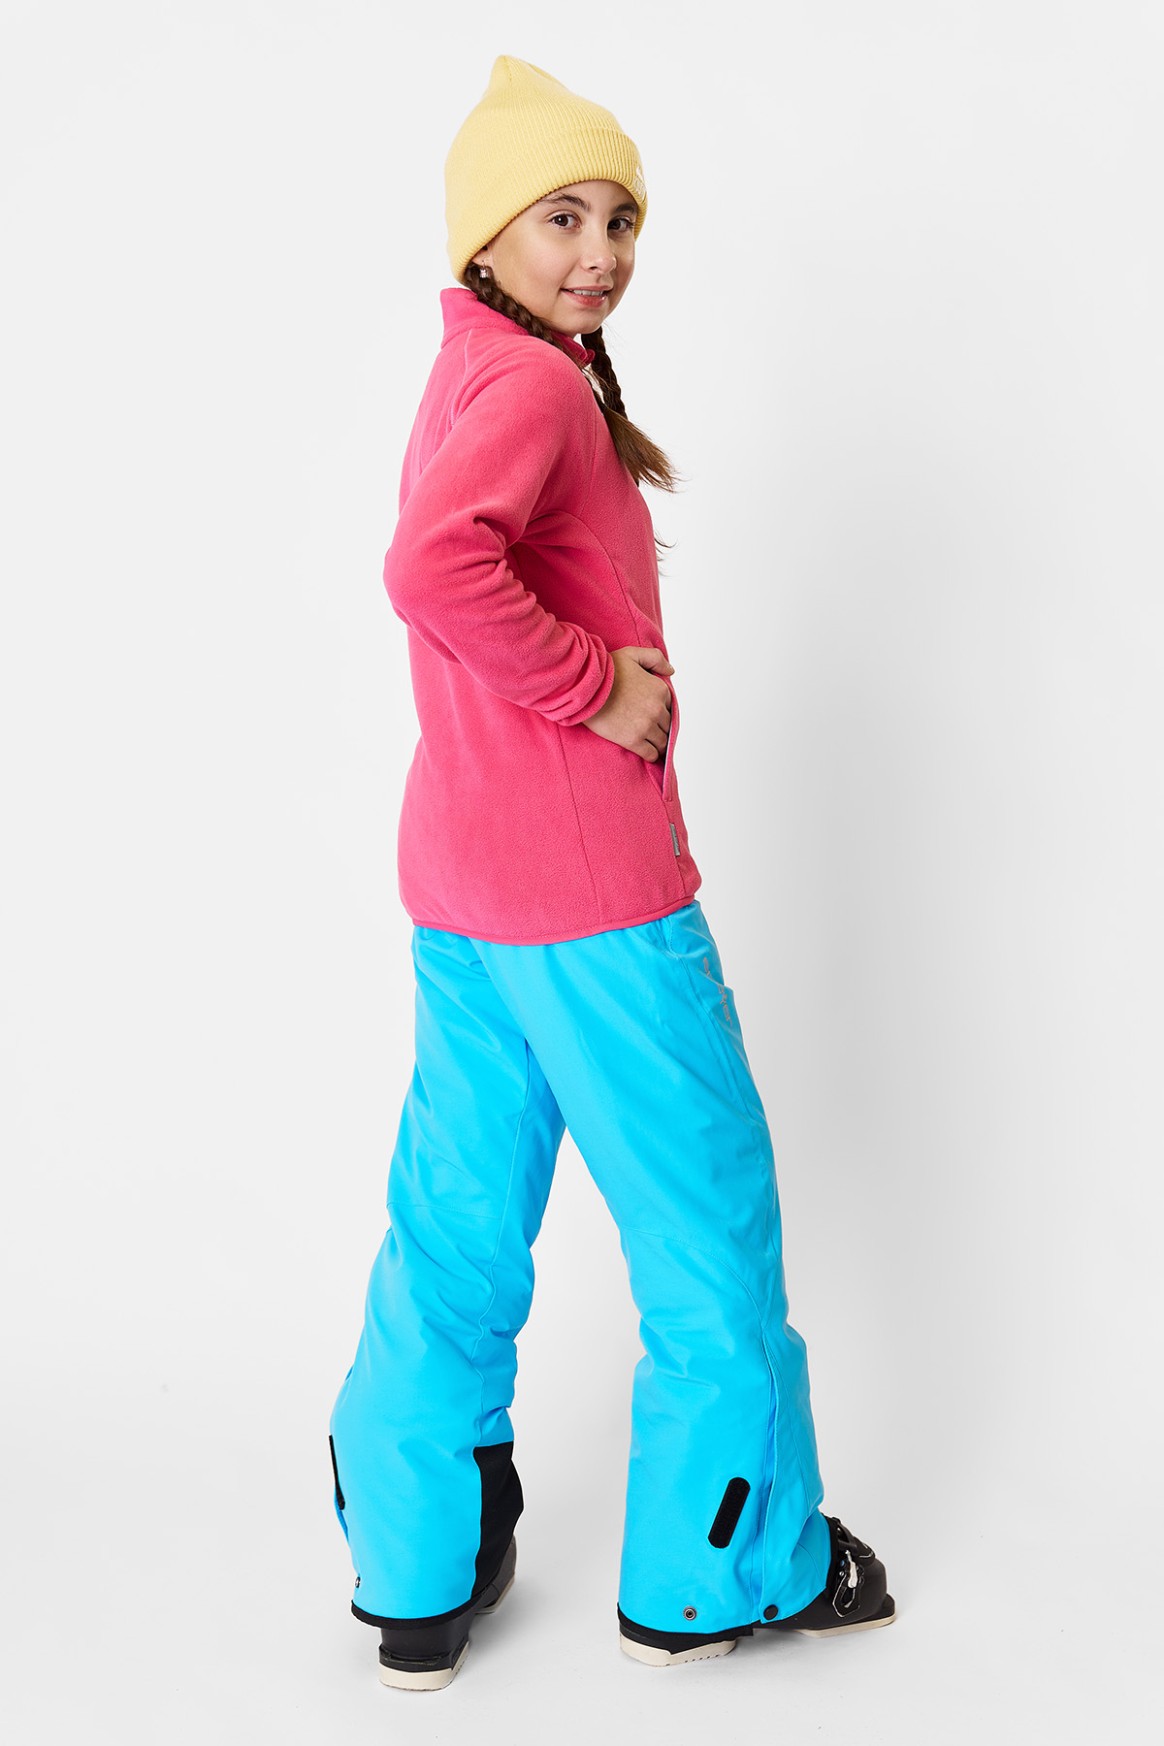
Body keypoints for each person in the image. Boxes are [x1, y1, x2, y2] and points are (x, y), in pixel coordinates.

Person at [328, 54, 895, 1693]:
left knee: (453, 1227)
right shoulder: (530, 387)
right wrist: (599, 685)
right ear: (486, 237)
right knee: (707, 1225)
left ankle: (416, 1566)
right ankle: (718, 1573)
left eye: (621, 219)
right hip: (593, 902)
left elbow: (444, 562)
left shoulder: (475, 366)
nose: (600, 251)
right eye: (561, 217)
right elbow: (430, 567)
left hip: (468, 892)